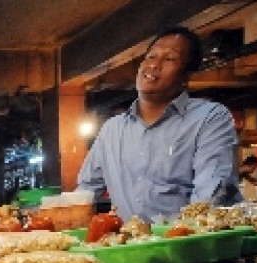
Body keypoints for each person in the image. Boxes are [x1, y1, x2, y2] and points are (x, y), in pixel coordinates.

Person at [76, 26, 242, 222]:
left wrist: (175, 237)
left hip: (192, 245)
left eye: (169, 58)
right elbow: (86, 192)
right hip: (132, 247)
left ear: (186, 76)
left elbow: (210, 195)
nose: (154, 65)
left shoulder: (209, 118)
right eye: (151, 56)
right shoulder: (112, 129)